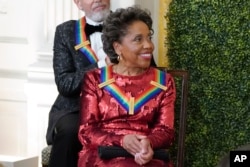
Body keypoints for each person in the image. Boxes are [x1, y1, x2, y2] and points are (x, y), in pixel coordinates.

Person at [78, 6, 176, 167]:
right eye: (138, 39)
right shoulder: (95, 79)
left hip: (147, 156)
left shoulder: (163, 81)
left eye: (149, 38)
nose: (149, 45)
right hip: (103, 155)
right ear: (118, 47)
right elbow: (86, 132)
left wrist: (148, 143)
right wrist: (121, 141)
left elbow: (165, 130)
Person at [45, 0, 111, 167]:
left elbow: (149, 72)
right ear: (78, 3)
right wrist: (101, 65)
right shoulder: (65, 32)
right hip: (75, 109)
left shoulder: (129, 26)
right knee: (70, 132)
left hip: (119, 106)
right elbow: (65, 84)